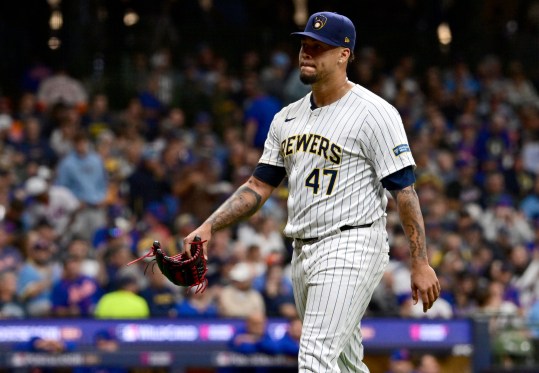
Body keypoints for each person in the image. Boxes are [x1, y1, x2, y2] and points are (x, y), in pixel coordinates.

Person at [183, 11, 440, 373]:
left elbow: (405, 192)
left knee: (315, 356)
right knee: (347, 363)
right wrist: (209, 226)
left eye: (319, 47)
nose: (307, 53)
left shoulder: (375, 113)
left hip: (351, 243)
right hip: (303, 249)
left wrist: (419, 260)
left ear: (344, 54)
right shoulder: (287, 117)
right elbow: (258, 186)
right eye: (304, 45)